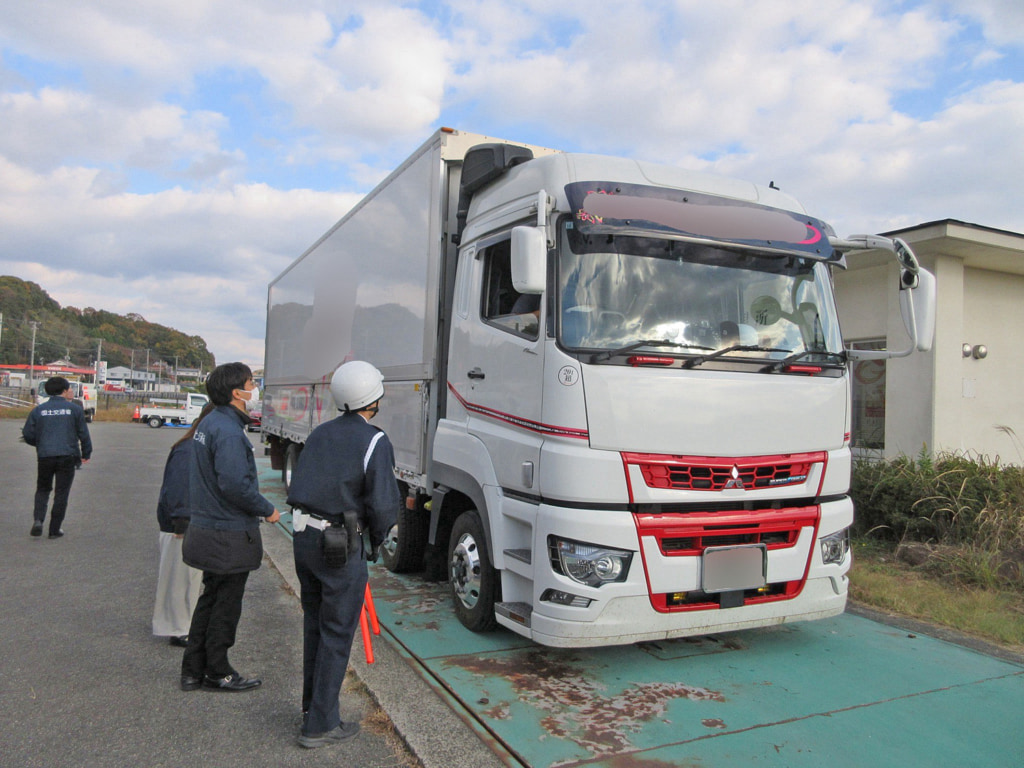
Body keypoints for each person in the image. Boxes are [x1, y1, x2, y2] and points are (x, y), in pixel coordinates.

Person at [287, 361, 399, 749]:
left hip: (303, 538)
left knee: (315, 626)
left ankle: (312, 709)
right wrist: (375, 542)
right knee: (336, 633)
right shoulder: (374, 440)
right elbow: (383, 506)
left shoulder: (320, 432)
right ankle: (320, 725)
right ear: (373, 397)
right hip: (340, 545)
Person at [179, 363, 280, 693]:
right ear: (237, 393)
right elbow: (235, 485)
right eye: (251, 383)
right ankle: (218, 671)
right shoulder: (229, 431)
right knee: (225, 606)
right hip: (227, 534)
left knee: (209, 600)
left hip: (207, 529)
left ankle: (193, 670)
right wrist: (268, 509)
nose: (255, 388)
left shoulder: (210, 422)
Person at [151, 402, 214, 647]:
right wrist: (181, 521)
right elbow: (179, 487)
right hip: (182, 523)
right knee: (180, 579)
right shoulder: (189, 449)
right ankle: (179, 628)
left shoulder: (194, 445)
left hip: (190, 521)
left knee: (187, 579)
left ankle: (184, 625)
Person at [22, 376, 93, 538]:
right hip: (67, 455)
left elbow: (27, 433)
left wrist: (40, 443)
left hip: (45, 455)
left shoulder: (39, 410)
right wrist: (86, 453)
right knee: (62, 492)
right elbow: (83, 434)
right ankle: (54, 530)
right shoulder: (74, 409)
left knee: (43, 489)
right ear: (64, 390)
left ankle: (38, 520)